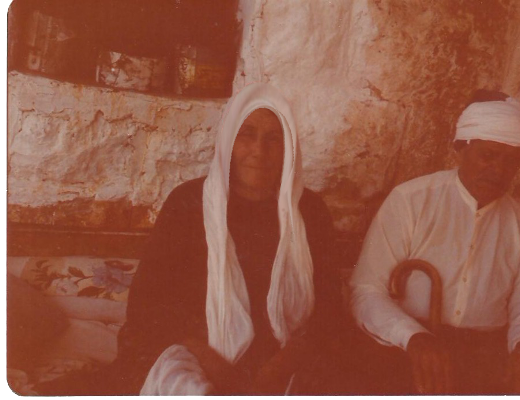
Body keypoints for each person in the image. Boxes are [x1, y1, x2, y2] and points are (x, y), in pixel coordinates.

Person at [33, 83, 342, 395]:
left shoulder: (309, 211)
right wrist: (212, 362)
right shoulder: (187, 203)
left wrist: (279, 368)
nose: (259, 151)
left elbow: (329, 306)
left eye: (273, 139)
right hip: (193, 347)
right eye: (247, 135)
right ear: (229, 140)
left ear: (290, 147)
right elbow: (151, 303)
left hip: (283, 352)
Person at [350, 90, 520, 395]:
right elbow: (366, 292)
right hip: (405, 348)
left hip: (484, 358)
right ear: (461, 147)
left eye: (512, 162)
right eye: (488, 155)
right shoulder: (410, 201)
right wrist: (414, 336)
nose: (498, 171)